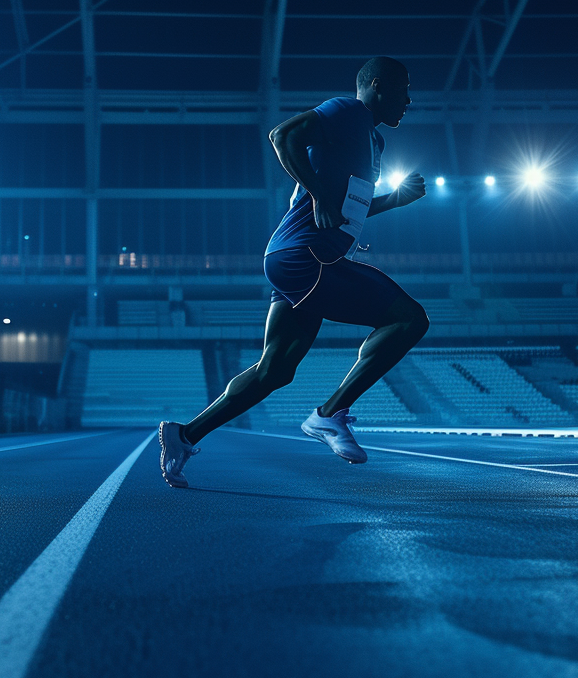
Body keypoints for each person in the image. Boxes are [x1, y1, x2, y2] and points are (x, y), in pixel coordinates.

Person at [157, 56, 430, 488]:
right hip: (306, 258)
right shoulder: (347, 111)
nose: (409, 100)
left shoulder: (374, 143)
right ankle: (329, 415)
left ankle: (184, 435)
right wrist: (319, 194)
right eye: (403, 90)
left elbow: (346, 212)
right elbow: (282, 135)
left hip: (300, 261)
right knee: (409, 318)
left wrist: (393, 200)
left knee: (275, 371)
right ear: (377, 86)